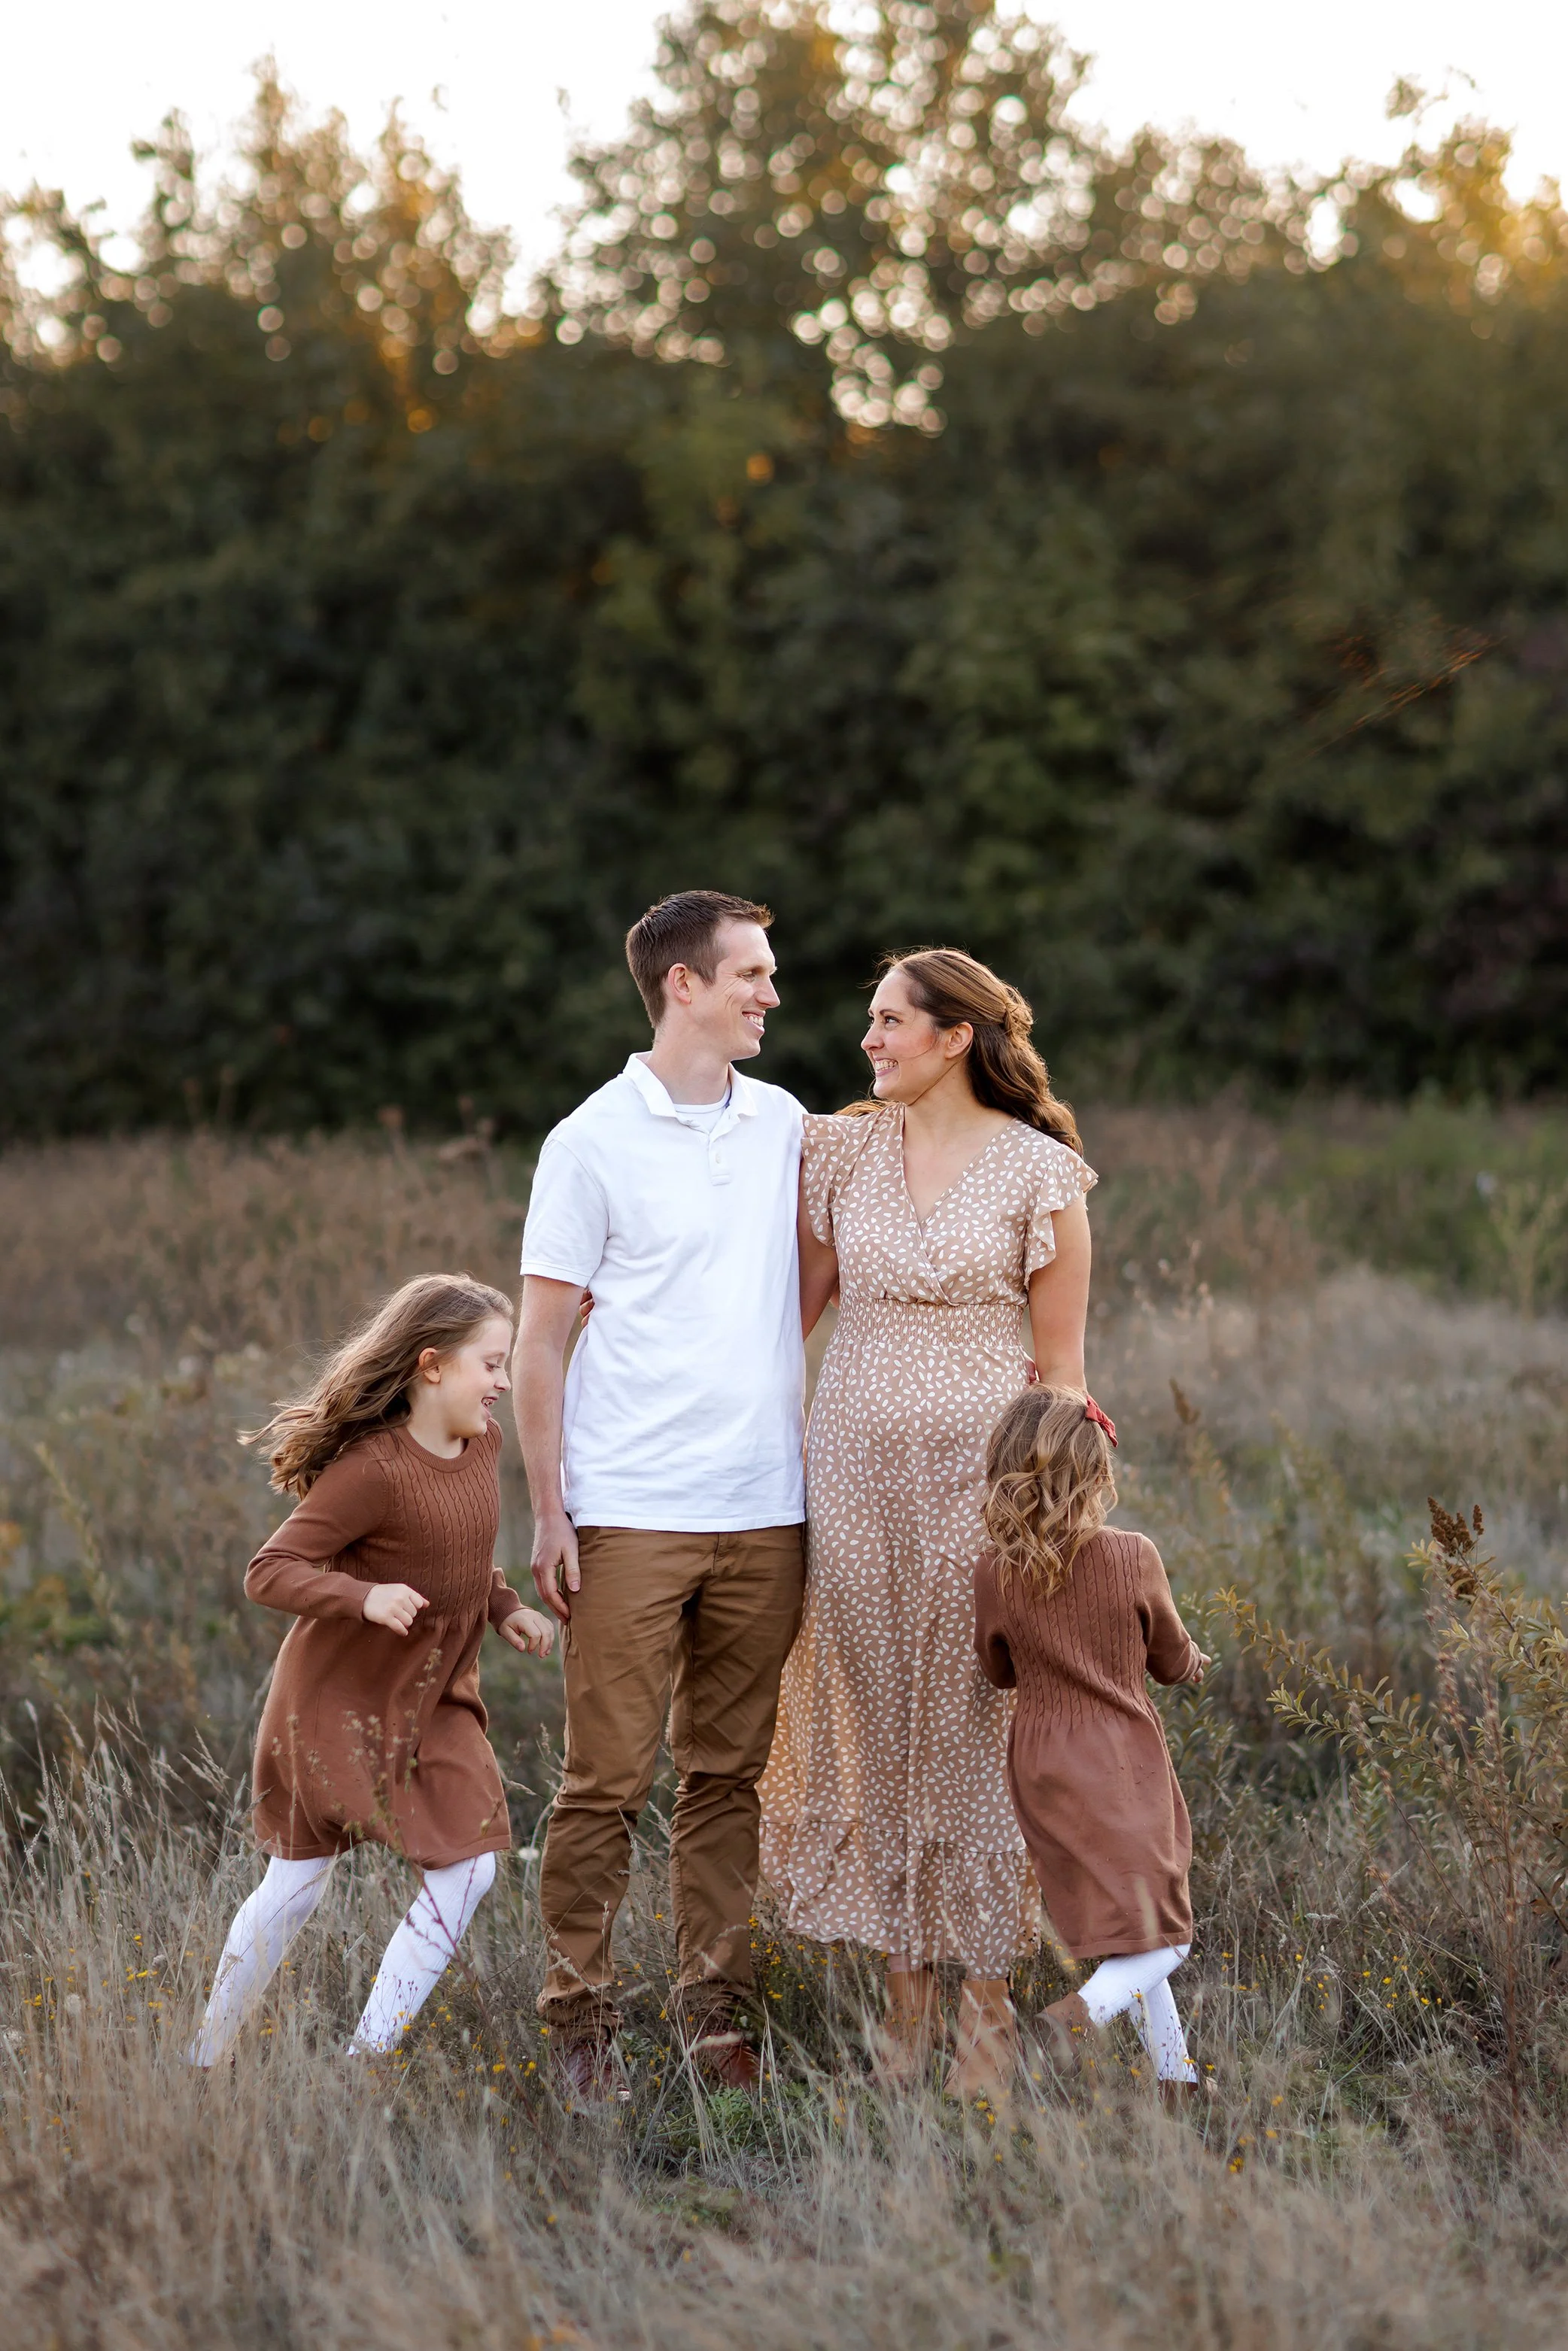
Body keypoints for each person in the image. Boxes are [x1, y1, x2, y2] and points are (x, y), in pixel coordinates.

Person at [758, 949, 1095, 2100]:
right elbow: (787, 1315)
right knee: (879, 1723)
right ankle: (905, 2002)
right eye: (870, 1019)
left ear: (956, 1037)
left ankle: (987, 2007)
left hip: (984, 1484)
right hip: (852, 1475)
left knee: (975, 1727)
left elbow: (1064, 1374)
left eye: (890, 1020)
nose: (869, 1038)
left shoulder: (1041, 1172)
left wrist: (1052, 1515)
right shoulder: (842, 1153)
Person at [513, 891, 807, 2104]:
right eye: (750, 974)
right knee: (605, 1783)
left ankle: (712, 2016)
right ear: (683, 985)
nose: (770, 994)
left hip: (767, 1507)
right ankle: (579, 2021)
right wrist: (549, 1510)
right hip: (629, 1506)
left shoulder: (785, 1123)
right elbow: (538, 1341)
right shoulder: (588, 1140)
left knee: (727, 1779)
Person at [188, 1275, 555, 2068]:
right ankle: (204, 2059)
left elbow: (460, 1548)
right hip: (339, 1699)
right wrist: (363, 1595)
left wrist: (502, 1605)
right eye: (491, 1364)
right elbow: (268, 1570)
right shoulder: (372, 1468)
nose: (502, 1381)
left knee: (472, 1869)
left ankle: (366, 2061)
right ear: (431, 1364)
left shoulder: (483, 1443)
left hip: (437, 1698)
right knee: (297, 1885)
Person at [974, 1384, 1209, 2103]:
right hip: (1119, 1759)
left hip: (1040, 1764)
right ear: (1096, 1473)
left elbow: (998, 1669)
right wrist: (1193, 1663)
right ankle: (1073, 2019)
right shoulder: (1133, 1555)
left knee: (1132, 1930)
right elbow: (1169, 1656)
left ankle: (1176, 2078)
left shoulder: (994, 1571)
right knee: (1169, 1934)